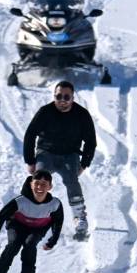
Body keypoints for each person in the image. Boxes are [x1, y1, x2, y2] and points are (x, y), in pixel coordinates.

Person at [22, 80, 96, 240]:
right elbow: (30, 135)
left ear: (72, 97)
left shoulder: (81, 115)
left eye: (66, 97)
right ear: (54, 96)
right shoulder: (45, 112)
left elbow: (91, 141)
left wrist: (84, 163)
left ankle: (80, 219)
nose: (62, 100)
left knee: (72, 180)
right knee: (39, 179)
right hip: (46, 153)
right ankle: (31, 215)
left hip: (70, 155)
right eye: (59, 96)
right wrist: (30, 161)